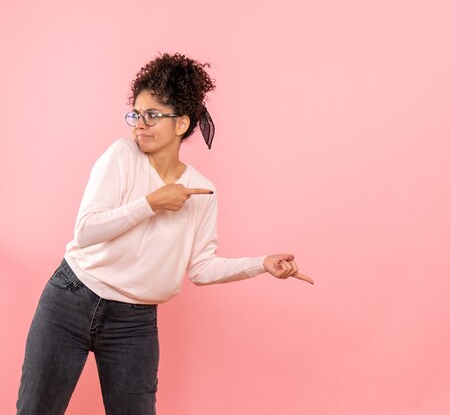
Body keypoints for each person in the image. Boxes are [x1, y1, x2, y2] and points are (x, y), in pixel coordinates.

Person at [16, 52, 313, 414]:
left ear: (181, 123)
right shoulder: (121, 156)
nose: (139, 124)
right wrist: (151, 202)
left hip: (134, 323)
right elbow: (87, 230)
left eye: (152, 115)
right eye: (135, 114)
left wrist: (261, 263)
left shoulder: (202, 190)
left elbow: (201, 269)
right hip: (70, 300)